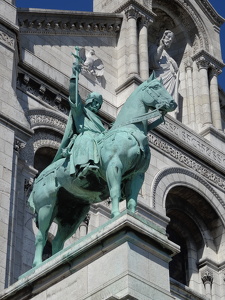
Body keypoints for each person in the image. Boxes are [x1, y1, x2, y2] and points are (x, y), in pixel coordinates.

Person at [53, 63, 106, 178]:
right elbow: (73, 96)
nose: (97, 105)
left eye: (99, 104)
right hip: (86, 138)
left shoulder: (99, 121)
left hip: (99, 139)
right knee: (88, 138)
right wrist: (74, 76)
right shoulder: (80, 111)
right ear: (89, 101)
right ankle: (83, 167)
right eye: (95, 102)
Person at [149, 30, 179, 106]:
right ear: (163, 36)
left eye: (171, 40)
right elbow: (153, 61)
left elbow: (175, 70)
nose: (169, 40)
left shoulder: (168, 55)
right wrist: (161, 46)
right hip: (159, 77)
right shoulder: (154, 47)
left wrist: (175, 67)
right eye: (168, 37)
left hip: (170, 80)